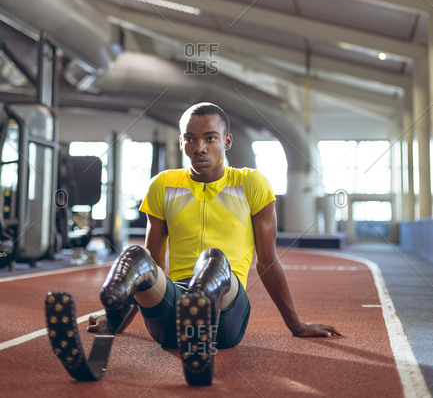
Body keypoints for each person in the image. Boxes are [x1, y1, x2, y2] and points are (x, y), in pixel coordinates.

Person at [97, 102, 341, 385]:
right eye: (191, 139)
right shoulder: (162, 185)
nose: (199, 147)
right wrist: (118, 321)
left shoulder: (250, 183)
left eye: (209, 138)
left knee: (213, 259)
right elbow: (152, 265)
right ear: (182, 142)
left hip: (226, 311)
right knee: (136, 257)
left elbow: (267, 260)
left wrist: (295, 325)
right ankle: (113, 313)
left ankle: (202, 308)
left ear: (226, 141)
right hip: (173, 311)